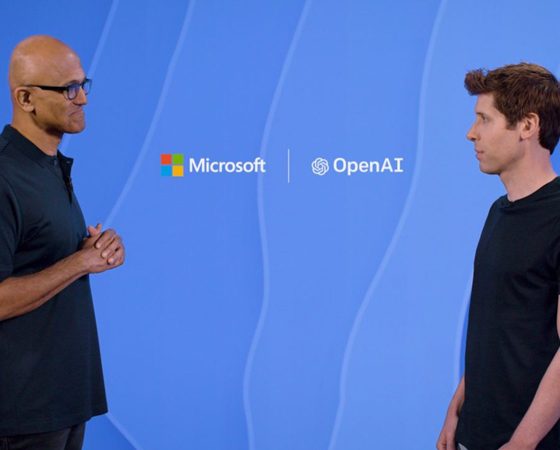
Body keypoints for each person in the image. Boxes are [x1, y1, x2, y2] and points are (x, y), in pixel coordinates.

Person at [0, 35, 125, 449]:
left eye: (83, 85)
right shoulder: (4, 175)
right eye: (69, 89)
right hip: (23, 414)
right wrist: (80, 263)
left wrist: (94, 252)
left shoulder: (49, 166)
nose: (83, 98)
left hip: (65, 403)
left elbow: (43, 256)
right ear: (26, 98)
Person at [436, 63, 560, 450]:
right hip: (475, 434)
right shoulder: (498, 211)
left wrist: (522, 443)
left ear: (528, 126)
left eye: (484, 119)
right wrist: (459, 405)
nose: (471, 133)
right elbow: (496, 325)